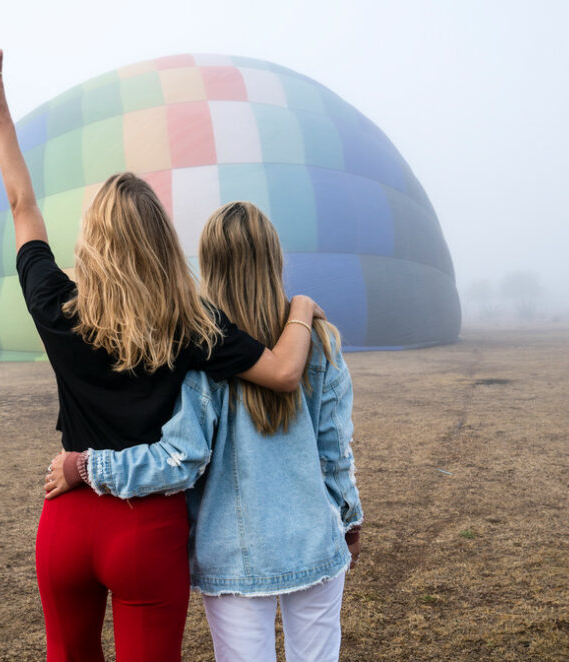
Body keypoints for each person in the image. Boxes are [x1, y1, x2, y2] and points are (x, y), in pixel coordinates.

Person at [0, 50, 324, 662]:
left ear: (92, 241)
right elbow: (285, 372)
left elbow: (21, 207)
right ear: (160, 239)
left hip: (67, 518)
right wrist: (302, 310)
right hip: (145, 529)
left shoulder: (56, 304)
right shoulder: (192, 324)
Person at [46, 202, 363, 662]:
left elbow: (180, 460)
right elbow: (335, 452)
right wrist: (348, 519)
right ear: (274, 260)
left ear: (208, 266)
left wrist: (90, 464)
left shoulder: (201, 355)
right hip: (313, 542)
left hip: (232, 557)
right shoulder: (320, 342)